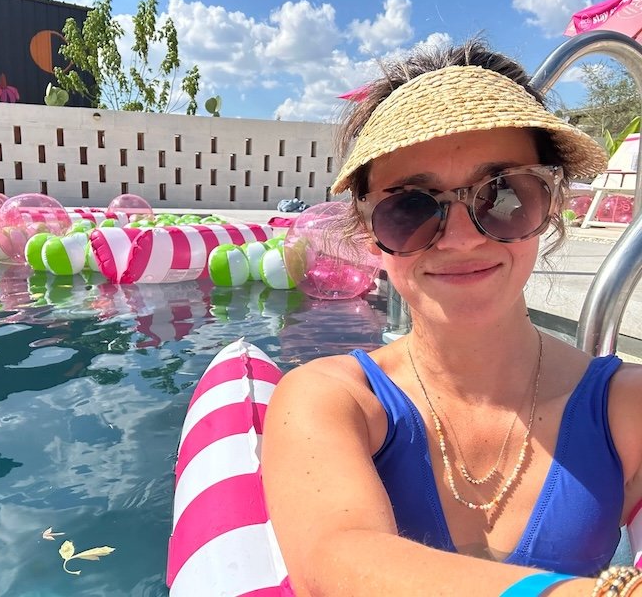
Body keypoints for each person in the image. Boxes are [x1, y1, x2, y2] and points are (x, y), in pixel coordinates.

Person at [260, 38, 642, 596]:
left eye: (504, 193)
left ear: (551, 203)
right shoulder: (330, 400)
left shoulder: (626, 409)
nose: (461, 239)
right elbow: (338, 558)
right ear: (369, 232)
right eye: (411, 207)